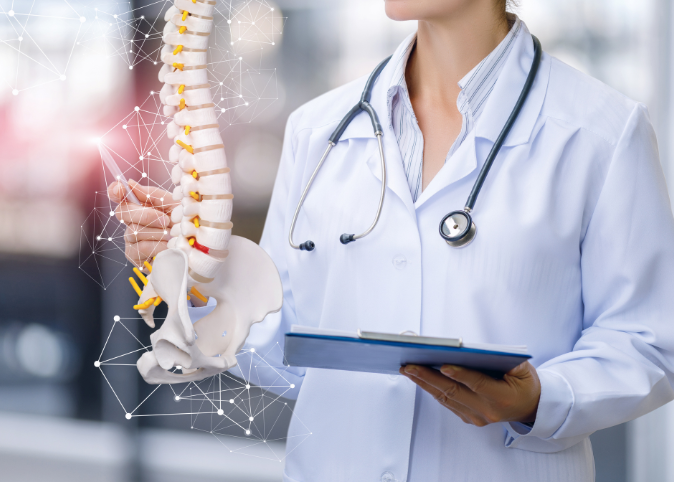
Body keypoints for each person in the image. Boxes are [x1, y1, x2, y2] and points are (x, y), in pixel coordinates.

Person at [108, 0, 674, 480]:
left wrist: (539, 398)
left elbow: (648, 343)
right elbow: (290, 353)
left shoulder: (601, 134)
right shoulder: (319, 129)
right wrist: (200, 279)